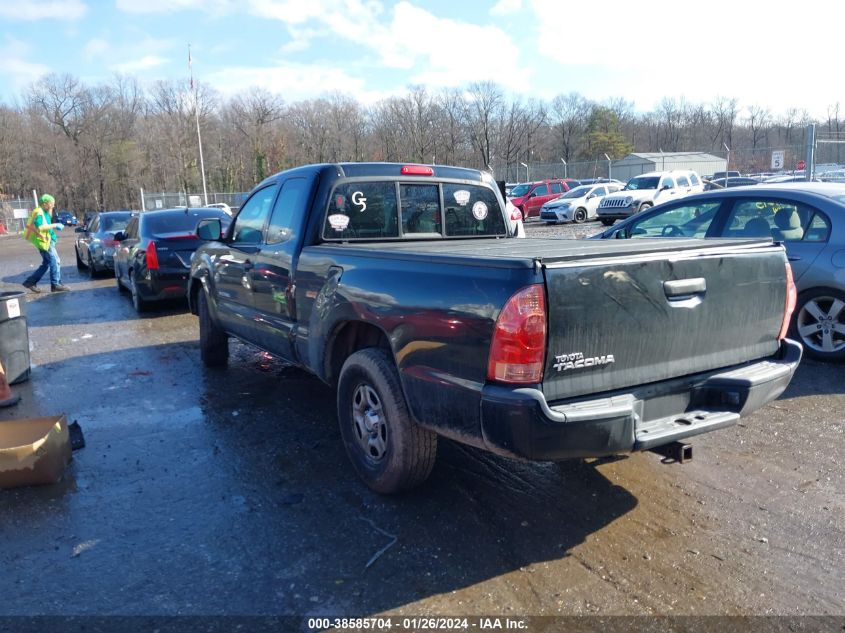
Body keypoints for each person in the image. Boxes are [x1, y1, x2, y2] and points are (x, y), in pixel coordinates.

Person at [22, 194, 70, 293]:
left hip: (46, 241)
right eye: (51, 203)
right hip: (44, 243)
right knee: (55, 262)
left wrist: (53, 237)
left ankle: (30, 282)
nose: (53, 205)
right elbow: (40, 227)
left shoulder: (43, 212)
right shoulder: (39, 212)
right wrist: (55, 225)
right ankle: (55, 284)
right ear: (45, 204)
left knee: (47, 263)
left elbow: (46, 228)